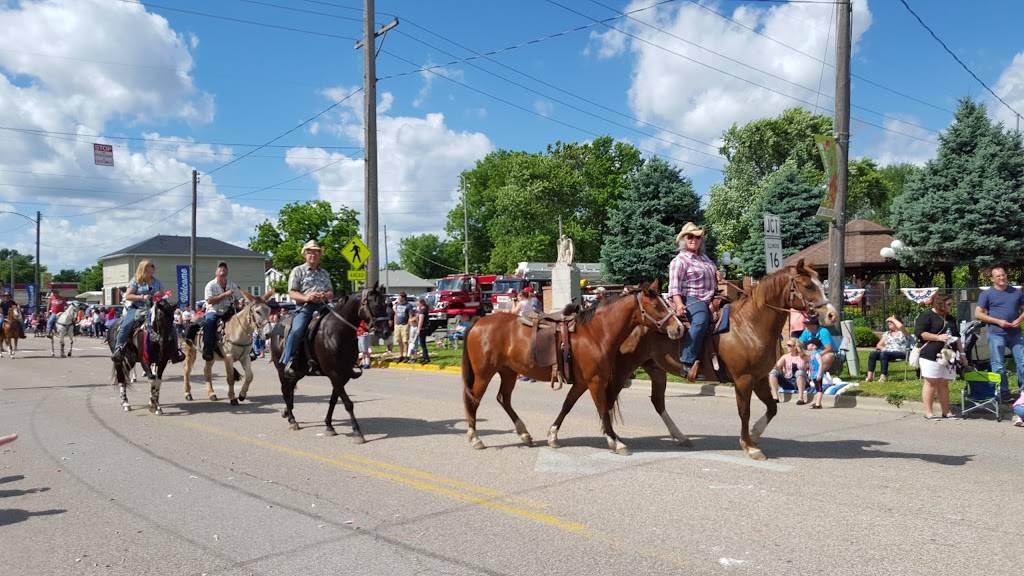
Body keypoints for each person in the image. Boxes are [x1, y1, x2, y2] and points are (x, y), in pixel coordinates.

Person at [668, 222, 721, 382]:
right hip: (691, 298)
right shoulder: (679, 261)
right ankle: (686, 362)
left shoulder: (705, 258)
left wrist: (718, 275)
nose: (694, 240)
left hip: (711, 296)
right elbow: (674, 287)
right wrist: (679, 304)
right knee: (701, 320)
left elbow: (712, 274)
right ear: (683, 239)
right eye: (690, 236)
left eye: (698, 237)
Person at [111, 260, 180, 363]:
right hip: (137, 308)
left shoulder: (157, 282)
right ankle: (119, 349)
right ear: (143, 269)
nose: (152, 269)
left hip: (154, 308)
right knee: (126, 325)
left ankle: (175, 351)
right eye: (150, 267)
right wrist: (142, 297)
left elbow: (162, 294)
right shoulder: (135, 281)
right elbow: (128, 296)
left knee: (170, 325)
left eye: (153, 267)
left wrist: (159, 295)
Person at [282, 240, 333, 377]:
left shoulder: (324, 273)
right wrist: (307, 297)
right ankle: (289, 360)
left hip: (324, 306)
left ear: (320, 255)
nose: (313, 255)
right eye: (310, 252)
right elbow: (292, 293)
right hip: (305, 307)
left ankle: (346, 358)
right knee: (297, 329)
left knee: (341, 323)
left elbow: (331, 292)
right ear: (305, 255)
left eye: (316, 252)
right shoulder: (298, 271)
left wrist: (324, 295)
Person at [975, 267, 1024, 402]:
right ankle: (1003, 393)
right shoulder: (987, 294)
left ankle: (1023, 392)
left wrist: (1019, 320)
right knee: (998, 365)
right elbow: (978, 313)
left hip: (1015, 333)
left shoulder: (1016, 292)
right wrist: (998, 321)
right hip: (996, 334)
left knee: (1022, 362)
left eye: (1003, 275)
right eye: (998, 276)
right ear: (992, 279)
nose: (1001, 278)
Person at [915, 293, 961, 420]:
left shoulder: (951, 318)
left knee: (944, 383)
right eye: (949, 304)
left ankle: (946, 411)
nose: (951, 306)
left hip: (948, 355)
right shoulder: (926, 316)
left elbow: (957, 337)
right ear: (941, 304)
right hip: (930, 354)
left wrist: (962, 354)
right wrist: (937, 337)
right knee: (931, 382)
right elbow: (920, 333)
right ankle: (928, 412)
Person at [202, 261, 241, 361]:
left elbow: (237, 300)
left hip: (228, 310)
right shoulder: (210, 285)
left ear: (227, 271)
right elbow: (210, 301)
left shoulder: (233, 285)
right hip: (214, 310)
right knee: (209, 324)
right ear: (216, 272)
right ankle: (208, 351)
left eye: (224, 268)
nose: (222, 269)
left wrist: (239, 304)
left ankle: (248, 349)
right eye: (220, 268)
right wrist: (225, 295)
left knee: (243, 321)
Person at [865, 316, 909, 384]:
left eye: (891, 322)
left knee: (884, 354)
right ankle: (869, 377)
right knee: (873, 354)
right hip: (887, 353)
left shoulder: (903, 332)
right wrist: (883, 348)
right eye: (888, 322)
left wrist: (892, 319)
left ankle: (883, 377)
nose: (889, 323)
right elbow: (878, 345)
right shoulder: (887, 334)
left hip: (901, 352)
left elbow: (901, 326)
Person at [799, 315, 835, 390]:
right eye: (806, 324)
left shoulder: (823, 331)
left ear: (814, 325)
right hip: (811, 353)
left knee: (829, 356)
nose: (806, 326)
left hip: (822, 353)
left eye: (808, 324)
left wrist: (816, 355)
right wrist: (802, 351)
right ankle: (804, 377)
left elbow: (829, 348)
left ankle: (818, 376)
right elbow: (799, 344)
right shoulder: (806, 331)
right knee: (799, 355)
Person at [769, 339, 810, 403]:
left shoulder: (804, 357)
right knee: (773, 372)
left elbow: (812, 367)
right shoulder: (785, 357)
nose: (787, 347)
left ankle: (801, 398)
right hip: (788, 382)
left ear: (795, 347)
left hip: (801, 381)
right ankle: (775, 397)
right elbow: (777, 366)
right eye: (787, 345)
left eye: (789, 345)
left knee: (799, 372)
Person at [393, 293, 415, 363]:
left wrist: (408, 324)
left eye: (400, 298)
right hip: (397, 325)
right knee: (399, 341)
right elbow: (396, 314)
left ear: (403, 298)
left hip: (405, 325)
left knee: (405, 341)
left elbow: (410, 316)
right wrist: (395, 324)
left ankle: (406, 355)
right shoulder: (397, 305)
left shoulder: (409, 305)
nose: (398, 299)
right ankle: (401, 355)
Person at [414, 298, 430, 364]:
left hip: (422, 328)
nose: (417, 304)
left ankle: (426, 358)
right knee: (422, 344)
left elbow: (421, 320)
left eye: (418, 303)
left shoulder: (423, 311)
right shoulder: (423, 310)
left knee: (422, 344)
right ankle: (424, 357)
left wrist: (418, 329)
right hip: (424, 328)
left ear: (421, 303)